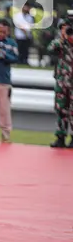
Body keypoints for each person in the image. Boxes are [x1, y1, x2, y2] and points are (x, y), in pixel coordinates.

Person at [47, 17, 73, 148]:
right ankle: (60, 136)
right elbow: (50, 48)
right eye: (63, 28)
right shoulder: (60, 43)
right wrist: (63, 39)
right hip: (62, 81)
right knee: (61, 110)